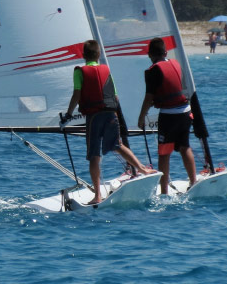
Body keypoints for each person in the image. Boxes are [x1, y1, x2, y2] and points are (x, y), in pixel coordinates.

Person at [64, 40, 154, 205]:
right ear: (98, 55)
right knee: (118, 145)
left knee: (94, 156)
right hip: (111, 114)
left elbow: (77, 94)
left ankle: (98, 195)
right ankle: (142, 169)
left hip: (94, 117)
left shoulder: (79, 72)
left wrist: (68, 114)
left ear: (83, 55)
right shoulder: (106, 70)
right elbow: (116, 97)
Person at [137, 38, 197, 194]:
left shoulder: (153, 70)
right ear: (165, 52)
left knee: (164, 153)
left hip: (169, 116)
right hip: (185, 112)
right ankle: (193, 181)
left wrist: (141, 117)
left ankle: (164, 191)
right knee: (185, 147)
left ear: (150, 54)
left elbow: (149, 97)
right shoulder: (175, 64)